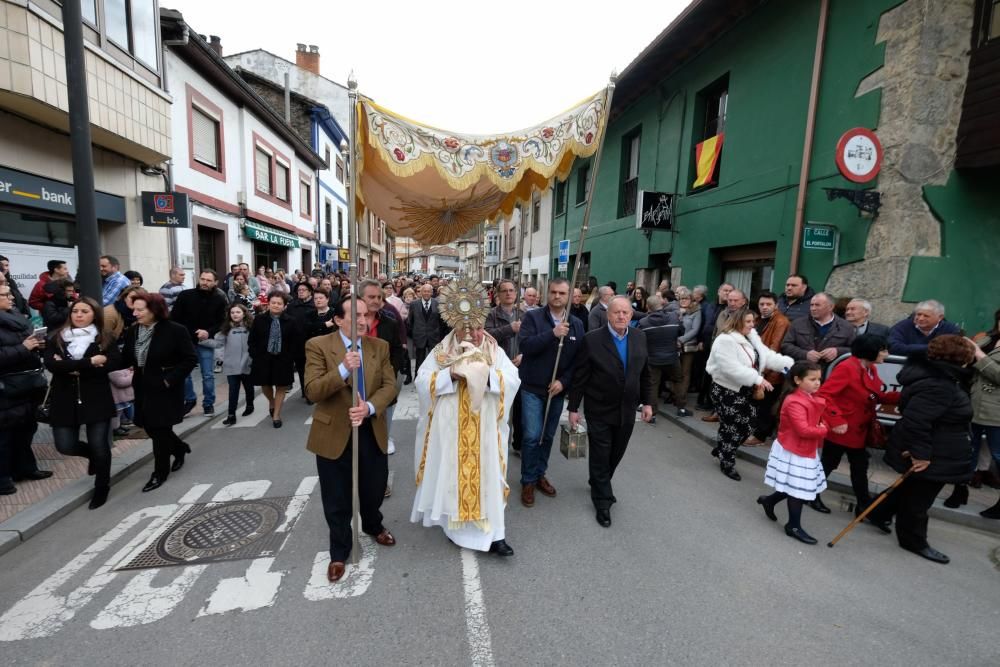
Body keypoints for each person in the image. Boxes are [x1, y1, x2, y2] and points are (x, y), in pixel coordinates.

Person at [304, 298, 398, 583]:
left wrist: (369, 408)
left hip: (369, 430)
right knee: (336, 497)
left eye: (366, 314)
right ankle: (339, 550)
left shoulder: (378, 347)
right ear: (338, 319)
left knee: (373, 488)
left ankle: (373, 525)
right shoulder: (318, 345)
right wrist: (343, 369)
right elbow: (312, 391)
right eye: (355, 314)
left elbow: (389, 385)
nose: (362, 319)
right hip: (334, 433)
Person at [411, 318, 521, 554]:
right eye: (467, 329)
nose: (475, 334)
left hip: (486, 428)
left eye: (479, 328)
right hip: (451, 429)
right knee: (453, 476)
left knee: (490, 475)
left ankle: (495, 535)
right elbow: (421, 381)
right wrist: (450, 374)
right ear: (456, 328)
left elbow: (513, 380)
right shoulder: (442, 351)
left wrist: (484, 375)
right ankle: (456, 530)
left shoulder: (494, 350)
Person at [867, 335, 976, 564]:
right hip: (933, 449)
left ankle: (877, 513)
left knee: (911, 487)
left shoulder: (940, 376)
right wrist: (922, 455)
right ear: (960, 358)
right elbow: (918, 421)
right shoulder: (939, 383)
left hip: (938, 444)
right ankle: (913, 540)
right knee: (919, 499)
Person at [568, 296, 654, 527]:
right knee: (601, 453)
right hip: (599, 408)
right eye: (617, 312)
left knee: (616, 452)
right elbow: (581, 376)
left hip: (627, 410)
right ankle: (603, 501)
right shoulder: (592, 340)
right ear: (608, 314)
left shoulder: (639, 337)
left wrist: (647, 403)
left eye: (626, 312)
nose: (622, 316)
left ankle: (599, 480)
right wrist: (573, 407)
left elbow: (645, 374)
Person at [44, 297, 120, 509]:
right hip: (64, 399)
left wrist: (70, 365)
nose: (78, 315)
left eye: (84, 311)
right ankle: (92, 457)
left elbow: (114, 361)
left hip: (96, 397)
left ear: (94, 314)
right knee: (65, 445)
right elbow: (52, 365)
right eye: (75, 311)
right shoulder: (57, 338)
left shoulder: (104, 338)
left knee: (100, 445)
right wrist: (90, 363)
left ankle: (102, 487)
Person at [813, 334, 900, 514]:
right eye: (883, 350)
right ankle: (811, 494)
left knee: (859, 467)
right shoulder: (847, 367)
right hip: (843, 428)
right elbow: (824, 395)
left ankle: (864, 505)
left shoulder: (870, 369)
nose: (887, 354)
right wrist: (836, 420)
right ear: (870, 351)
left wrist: (905, 397)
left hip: (859, 429)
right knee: (829, 463)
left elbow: (876, 395)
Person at [517, 278, 585, 506]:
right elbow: (525, 346)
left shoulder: (576, 324)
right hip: (533, 388)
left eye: (562, 293)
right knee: (531, 435)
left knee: (547, 436)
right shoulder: (533, 317)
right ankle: (527, 480)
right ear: (548, 294)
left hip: (556, 390)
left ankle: (539, 475)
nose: (557, 296)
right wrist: (552, 334)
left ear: (568, 296)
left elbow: (578, 360)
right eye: (554, 292)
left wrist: (564, 382)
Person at [705, 308, 794, 480]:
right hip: (726, 390)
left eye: (753, 321)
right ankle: (727, 461)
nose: (752, 325)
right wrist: (757, 379)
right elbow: (730, 368)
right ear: (737, 321)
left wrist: (787, 365)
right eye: (748, 322)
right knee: (730, 427)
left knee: (750, 425)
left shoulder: (751, 336)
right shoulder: (725, 340)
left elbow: (765, 356)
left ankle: (723, 448)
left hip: (745, 390)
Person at [121, 293, 197, 493]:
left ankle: (159, 473)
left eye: (140, 310)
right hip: (143, 387)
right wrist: (97, 362)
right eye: (133, 310)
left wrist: (169, 379)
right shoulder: (133, 332)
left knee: (159, 431)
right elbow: (124, 359)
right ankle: (179, 448)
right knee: (151, 427)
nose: (135, 313)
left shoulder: (175, 330)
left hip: (165, 389)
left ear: (155, 310)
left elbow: (190, 359)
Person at [756, 361, 830, 545]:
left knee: (797, 485)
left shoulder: (808, 395)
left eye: (819, 379)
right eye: (812, 379)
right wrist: (824, 429)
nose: (817, 383)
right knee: (798, 489)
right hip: (795, 450)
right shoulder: (795, 401)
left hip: (803, 449)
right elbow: (804, 430)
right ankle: (793, 526)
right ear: (797, 380)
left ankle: (769, 501)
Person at [0, 282, 51, 495]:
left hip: (28, 383)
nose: (10, 297)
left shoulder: (17, 316)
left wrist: (38, 344)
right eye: (4, 294)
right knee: (4, 435)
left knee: (26, 428)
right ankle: (3, 478)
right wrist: (23, 348)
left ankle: (25, 468)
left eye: (9, 292)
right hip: (6, 387)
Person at [171, 270, 228, 416]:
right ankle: (190, 400)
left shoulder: (219, 299)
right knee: (185, 374)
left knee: (207, 374)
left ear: (215, 282)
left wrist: (208, 332)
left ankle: (208, 403)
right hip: (185, 341)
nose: (204, 282)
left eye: (209, 280)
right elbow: (175, 318)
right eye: (202, 279)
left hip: (205, 342)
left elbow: (222, 322)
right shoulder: (185, 295)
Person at [360, 280, 405, 455]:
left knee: (386, 408)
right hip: (357, 375)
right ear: (361, 298)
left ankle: (385, 438)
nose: (376, 300)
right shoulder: (352, 321)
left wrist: (390, 374)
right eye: (371, 297)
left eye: (379, 297)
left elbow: (396, 350)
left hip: (383, 377)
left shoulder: (389, 322)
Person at [746, 290, 791, 445]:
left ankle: (760, 436)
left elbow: (774, 348)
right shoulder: (758, 319)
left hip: (770, 372)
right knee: (757, 403)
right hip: (756, 368)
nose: (764, 307)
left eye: (768, 304)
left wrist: (761, 371)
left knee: (766, 405)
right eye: (762, 304)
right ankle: (754, 431)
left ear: (776, 305)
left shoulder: (781, 322)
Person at [248, 291, 299, 428]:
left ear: (284, 306)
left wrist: (291, 357)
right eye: (273, 303)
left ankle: (276, 415)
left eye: (279, 303)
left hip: (283, 359)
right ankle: (271, 401)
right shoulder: (259, 319)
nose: (276, 305)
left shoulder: (291, 321)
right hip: (263, 358)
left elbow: (295, 342)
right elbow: (252, 340)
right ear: (268, 304)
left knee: (281, 386)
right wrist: (255, 354)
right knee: (265, 385)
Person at [485, 279, 524, 453]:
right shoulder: (491, 314)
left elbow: (531, 339)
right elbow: (487, 336)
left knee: (520, 409)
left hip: (521, 366)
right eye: (504, 291)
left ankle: (518, 443)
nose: (508, 293)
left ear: (516, 293)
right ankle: (499, 445)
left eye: (511, 290)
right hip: (499, 368)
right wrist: (509, 329)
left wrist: (525, 355)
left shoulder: (525, 314)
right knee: (501, 409)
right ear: (498, 294)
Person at [970, 315, 1000, 519]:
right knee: (968, 451)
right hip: (973, 404)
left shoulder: (983, 348)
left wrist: (980, 355)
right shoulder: (988, 338)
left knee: (998, 455)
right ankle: (959, 491)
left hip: (996, 410)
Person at [781, 292, 856, 370]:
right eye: (811, 305)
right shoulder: (798, 323)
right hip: (802, 373)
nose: (813, 308)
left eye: (817, 305)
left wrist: (837, 351)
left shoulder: (846, 327)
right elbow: (786, 346)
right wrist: (805, 354)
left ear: (831, 307)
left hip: (831, 373)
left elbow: (855, 349)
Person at [636, 294, 682, 421]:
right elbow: (681, 331)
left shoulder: (643, 322)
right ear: (661, 304)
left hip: (653, 359)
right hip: (672, 357)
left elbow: (639, 339)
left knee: (652, 385)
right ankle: (681, 408)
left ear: (648, 307)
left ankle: (653, 413)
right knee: (678, 380)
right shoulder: (673, 317)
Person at [216, 304, 255, 427]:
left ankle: (249, 405)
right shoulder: (226, 329)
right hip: (231, 364)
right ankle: (231, 415)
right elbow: (219, 344)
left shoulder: (251, 327)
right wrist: (220, 358)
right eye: (232, 312)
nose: (235, 314)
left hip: (247, 363)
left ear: (244, 313)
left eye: (238, 312)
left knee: (248, 387)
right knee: (233, 390)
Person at [887, 300, 961, 356]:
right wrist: (932, 349)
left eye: (926, 316)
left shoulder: (950, 330)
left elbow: (952, 351)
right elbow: (893, 347)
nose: (920, 318)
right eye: (918, 314)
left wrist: (909, 348)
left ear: (940, 317)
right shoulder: (903, 326)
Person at [673, 287, 702, 417]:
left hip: (688, 346)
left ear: (691, 300)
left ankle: (682, 401)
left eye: (686, 298)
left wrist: (681, 339)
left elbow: (695, 330)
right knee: (675, 373)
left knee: (685, 374)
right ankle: (676, 396)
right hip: (675, 346)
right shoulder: (676, 310)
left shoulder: (696, 311)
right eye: (681, 298)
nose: (683, 301)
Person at [407, 283, 446, 373]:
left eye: (428, 291)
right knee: (419, 360)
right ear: (421, 292)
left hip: (434, 337)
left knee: (435, 360)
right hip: (419, 336)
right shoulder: (414, 304)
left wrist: (440, 336)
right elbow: (410, 321)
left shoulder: (437, 303)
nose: (426, 293)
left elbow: (441, 322)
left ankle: (434, 377)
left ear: (432, 293)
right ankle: (418, 376)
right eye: (424, 291)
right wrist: (414, 333)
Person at [287, 282, 315, 396]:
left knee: (312, 369)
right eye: (299, 290)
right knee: (301, 369)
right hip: (297, 343)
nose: (301, 292)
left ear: (309, 292)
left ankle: (313, 389)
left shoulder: (315, 305)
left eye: (304, 290)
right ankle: (305, 391)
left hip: (312, 342)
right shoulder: (292, 306)